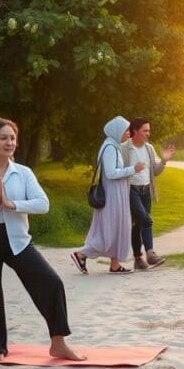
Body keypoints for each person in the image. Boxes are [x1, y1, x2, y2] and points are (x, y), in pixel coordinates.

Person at [0, 117, 85, 361]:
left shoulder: (23, 173)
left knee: (51, 282)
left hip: (18, 240)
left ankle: (58, 343)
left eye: (12, 138)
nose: (9, 142)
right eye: (3, 138)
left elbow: (42, 204)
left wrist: (12, 204)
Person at [71, 117, 144, 274]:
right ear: (117, 131)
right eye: (126, 131)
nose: (129, 134)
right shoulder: (110, 147)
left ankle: (115, 265)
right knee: (109, 229)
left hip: (117, 194)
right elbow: (111, 173)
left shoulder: (113, 146)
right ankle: (82, 254)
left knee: (117, 227)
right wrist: (133, 169)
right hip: (112, 196)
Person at [121, 117, 176, 270]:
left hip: (146, 191)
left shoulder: (149, 148)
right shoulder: (124, 148)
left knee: (138, 224)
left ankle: (138, 259)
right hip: (131, 190)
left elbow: (155, 172)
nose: (148, 134)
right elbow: (118, 171)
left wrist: (164, 161)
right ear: (134, 131)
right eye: (145, 131)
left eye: (148, 131)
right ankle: (150, 254)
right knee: (146, 220)